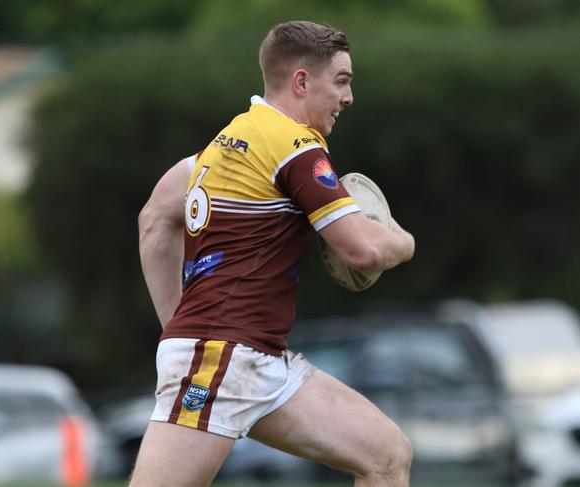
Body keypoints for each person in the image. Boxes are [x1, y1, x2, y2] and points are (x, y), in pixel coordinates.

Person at [134, 20, 415, 487]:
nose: (349, 98)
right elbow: (361, 250)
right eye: (341, 82)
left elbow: (155, 218)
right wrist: (403, 240)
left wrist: (176, 329)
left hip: (258, 361)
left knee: (387, 455)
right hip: (222, 355)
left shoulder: (224, 144)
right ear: (301, 82)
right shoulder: (295, 148)